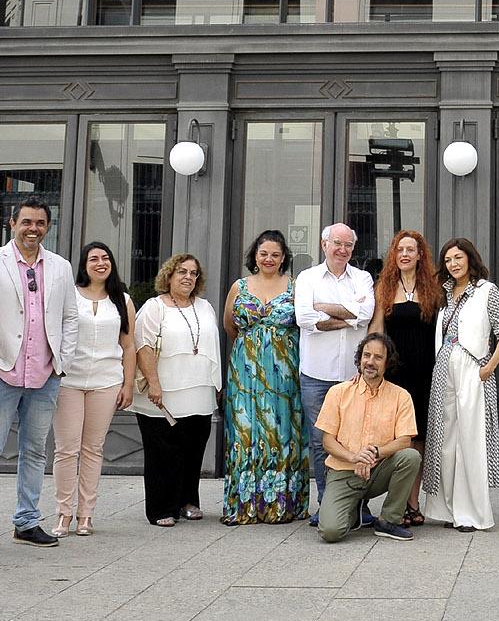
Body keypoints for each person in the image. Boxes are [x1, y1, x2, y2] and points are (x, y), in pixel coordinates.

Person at [0, 198, 78, 555]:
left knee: (35, 452)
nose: (33, 229)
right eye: (27, 222)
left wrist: (62, 362)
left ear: (47, 227)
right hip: (2, 374)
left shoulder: (59, 267)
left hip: (44, 374)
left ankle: (27, 521)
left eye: (40, 223)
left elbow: (70, 318)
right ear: (13, 223)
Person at [422, 238, 499, 531]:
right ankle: (448, 510)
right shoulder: (445, 294)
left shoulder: (487, 291)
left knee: (470, 440)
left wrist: (489, 367)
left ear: (470, 259)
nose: (453, 264)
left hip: (474, 368)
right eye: (448, 260)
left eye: (458, 257)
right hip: (445, 370)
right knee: (446, 440)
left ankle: (471, 513)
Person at [221, 231, 310, 524]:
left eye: (275, 254)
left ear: (283, 257)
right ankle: (245, 505)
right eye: (263, 254)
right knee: (246, 435)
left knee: (282, 432)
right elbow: (229, 327)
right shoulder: (239, 286)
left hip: (283, 376)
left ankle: (282, 505)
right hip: (245, 375)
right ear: (255, 256)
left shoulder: (296, 286)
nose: (269, 259)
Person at [294, 223, 377, 524]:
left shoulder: (363, 278)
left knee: (358, 440)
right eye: (336, 243)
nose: (342, 250)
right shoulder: (307, 277)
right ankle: (327, 503)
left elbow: (366, 314)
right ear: (323, 244)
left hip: (353, 375)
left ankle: (358, 506)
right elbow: (304, 318)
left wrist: (324, 311)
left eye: (348, 245)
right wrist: (349, 316)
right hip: (317, 374)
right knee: (321, 441)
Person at [132, 253, 223, 526]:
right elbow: (143, 346)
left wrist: (216, 383)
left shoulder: (205, 307)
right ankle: (161, 508)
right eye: (182, 271)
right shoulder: (153, 307)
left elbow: (211, 346)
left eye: (193, 273)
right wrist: (155, 383)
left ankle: (188, 501)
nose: (188, 277)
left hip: (198, 391)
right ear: (169, 275)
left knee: (194, 449)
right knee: (163, 452)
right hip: (163, 394)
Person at [53, 242, 136, 537]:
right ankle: (63, 512)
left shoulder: (122, 300)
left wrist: (128, 384)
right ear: (84, 265)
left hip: (106, 381)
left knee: (93, 449)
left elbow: (128, 346)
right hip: (69, 381)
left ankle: (86, 514)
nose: (100, 263)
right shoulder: (70, 295)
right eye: (93, 259)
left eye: (105, 258)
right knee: (66, 449)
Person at [316, 333, 423, 542]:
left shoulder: (401, 396)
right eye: (366, 355)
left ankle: (389, 520)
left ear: (387, 362)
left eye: (377, 357)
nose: (370, 362)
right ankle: (353, 508)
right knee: (330, 532)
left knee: (410, 456)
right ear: (359, 359)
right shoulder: (338, 393)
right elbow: (327, 441)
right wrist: (354, 457)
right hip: (344, 471)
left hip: (379, 471)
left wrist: (374, 453)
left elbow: (405, 440)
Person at [371, 230, 441, 528]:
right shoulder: (384, 287)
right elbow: (376, 329)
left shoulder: (433, 288)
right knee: (401, 438)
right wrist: (371, 365)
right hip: (396, 374)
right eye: (399, 249)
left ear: (420, 254)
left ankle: (413, 504)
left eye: (410, 250)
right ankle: (397, 504)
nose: (404, 254)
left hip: (426, 372)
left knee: (420, 439)